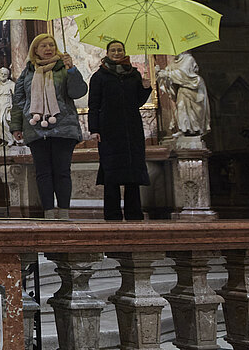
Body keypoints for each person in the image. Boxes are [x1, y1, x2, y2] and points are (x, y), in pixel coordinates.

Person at [12, 34, 87, 218]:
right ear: (35, 50)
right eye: (43, 45)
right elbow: (19, 101)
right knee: (43, 172)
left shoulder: (64, 68)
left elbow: (77, 92)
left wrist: (72, 70)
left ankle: (64, 212)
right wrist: (16, 126)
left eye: (51, 45)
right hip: (36, 128)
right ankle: (48, 212)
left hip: (63, 127)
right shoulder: (27, 72)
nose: (48, 48)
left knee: (62, 171)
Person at [88, 40, 150, 221]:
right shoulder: (99, 77)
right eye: (113, 50)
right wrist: (94, 128)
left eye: (120, 50)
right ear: (107, 53)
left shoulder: (134, 74)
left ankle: (134, 214)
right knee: (111, 173)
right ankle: (112, 214)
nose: (117, 52)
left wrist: (146, 88)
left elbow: (137, 101)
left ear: (124, 52)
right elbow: (94, 105)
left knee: (132, 173)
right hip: (109, 129)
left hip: (131, 129)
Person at [157, 51, 211, 137]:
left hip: (194, 88)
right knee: (181, 107)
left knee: (195, 112)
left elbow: (184, 74)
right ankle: (184, 129)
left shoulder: (188, 59)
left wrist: (167, 74)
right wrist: (160, 72)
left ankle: (196, 129)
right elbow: (168, 72)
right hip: (183, 89)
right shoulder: (173, 63)